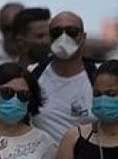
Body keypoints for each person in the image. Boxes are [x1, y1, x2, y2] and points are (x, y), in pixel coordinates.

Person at [30, 10, 97, 145]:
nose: (64, 38)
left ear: (83, 37)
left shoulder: (100, 76)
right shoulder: (32, 74)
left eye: (71, 32)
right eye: (57, 32)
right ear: (49, 37)